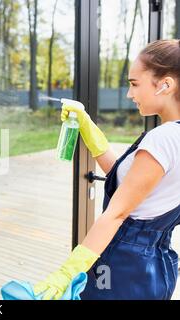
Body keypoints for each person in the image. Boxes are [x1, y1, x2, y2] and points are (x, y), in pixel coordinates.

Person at [33, 39, 180, 300]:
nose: (129, 94)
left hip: (123, 266)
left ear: (166, 85)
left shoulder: (163, 138)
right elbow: (133, 187)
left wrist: (67, 273)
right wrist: (88, 127)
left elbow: (117, 213)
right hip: (154, 265)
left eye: (135, 84)